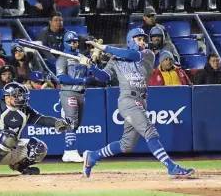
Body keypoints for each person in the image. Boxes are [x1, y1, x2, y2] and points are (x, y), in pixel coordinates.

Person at [82, 28, 195, 178]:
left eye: (143, 39)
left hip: (141, 100)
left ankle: (92, 156)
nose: (143, 42)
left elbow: (131, 55)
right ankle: (171, 167)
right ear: (130, 41)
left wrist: (105, 48)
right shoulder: (115, 59)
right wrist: (91, 67)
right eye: (139, 39)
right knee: (149, 131)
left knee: (126, 145)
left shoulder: (147, 54)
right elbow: (104, 77)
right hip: (127, 100)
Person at [0, 82, 72, 178]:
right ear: (7, 97)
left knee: (39, 147)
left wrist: (57, 123)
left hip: (11, 145)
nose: (21, 99)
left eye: (21, 96)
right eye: (17, 96)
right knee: (8, 137)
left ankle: (19, 166)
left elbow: (41, 119)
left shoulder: (25, 110)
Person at [56, 31, 92, 163]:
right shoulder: (62, 58)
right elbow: (61, 78)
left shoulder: (82, 57)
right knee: (71, 120)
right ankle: (72, 151)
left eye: (75, 41)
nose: (73, 44)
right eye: (70, 42)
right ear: (65, 43)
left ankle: (67, 152)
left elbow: (90, 74)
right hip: (68, 92)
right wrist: (80, 80)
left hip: (82, 93)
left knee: (76, 124)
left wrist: (91, 66)